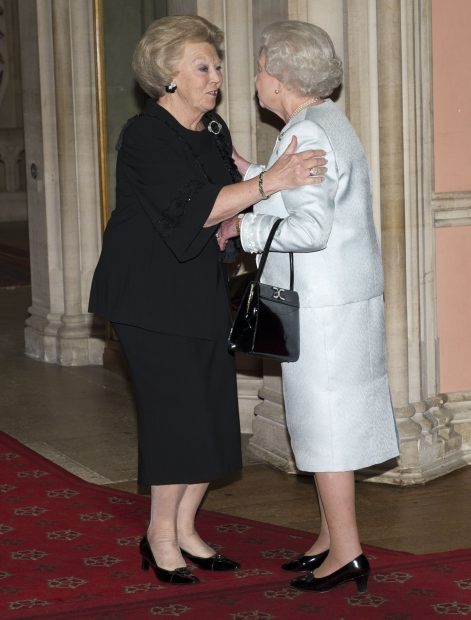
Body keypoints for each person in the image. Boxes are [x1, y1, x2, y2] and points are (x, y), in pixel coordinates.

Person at [88, 15, 327, 586]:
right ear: (168, 77)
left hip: (196, 289)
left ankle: (188, 528)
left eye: (217, 66)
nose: (216, 77)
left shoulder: (212, 129)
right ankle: (159, 536)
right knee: (177, 419)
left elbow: (232, 196)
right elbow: (197, 206)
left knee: (212, 415)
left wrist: (261, 193)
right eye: (202, 67)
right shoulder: (146, 136)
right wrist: (274, 183)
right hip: (147, 297)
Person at [219, 20, 400, 594]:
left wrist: (242, 227)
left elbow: (312, 227)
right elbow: (308, 197)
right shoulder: (323, 121)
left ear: (279, 74)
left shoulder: (309, 133)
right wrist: (254, 173)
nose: (253, 79)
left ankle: (347, 553)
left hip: (323, 309)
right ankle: (328, 538)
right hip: (340, 300)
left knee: (325, 430)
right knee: (331, 425)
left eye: (259, 66)